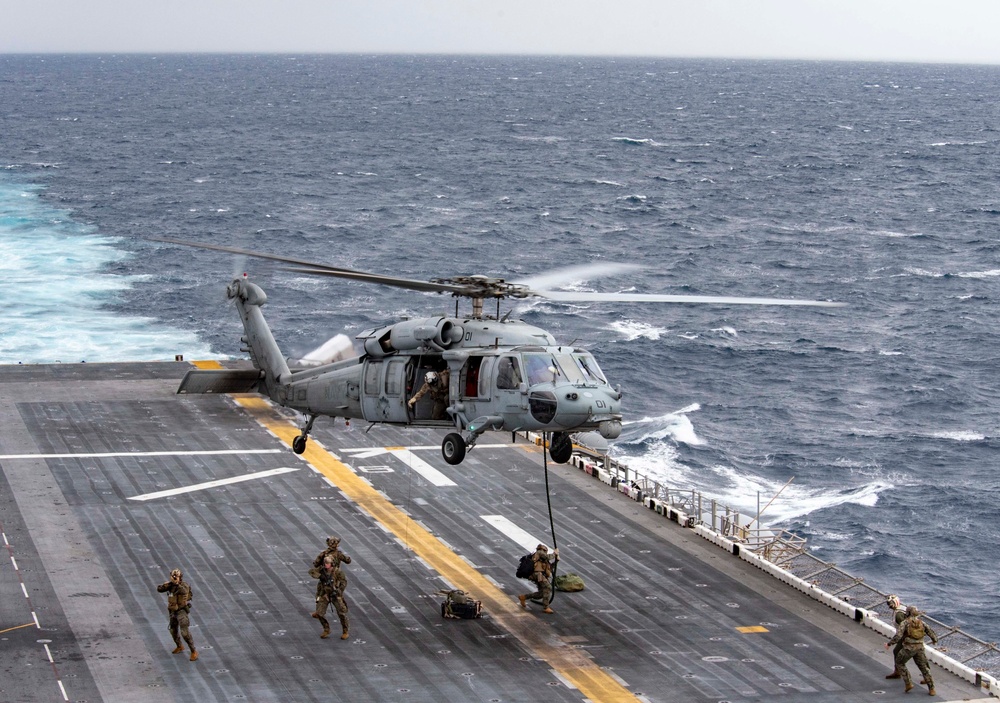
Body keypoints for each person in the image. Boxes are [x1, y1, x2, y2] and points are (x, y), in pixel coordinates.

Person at [885, 605, 938, 696]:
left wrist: (889, 644)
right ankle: (932, 689)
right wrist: (934, 640)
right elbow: (931, 632)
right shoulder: (922, 622)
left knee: (899, 662)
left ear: (908, 613)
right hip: (920, 648)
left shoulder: (905, 623)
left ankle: (908, 683)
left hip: (908, 648)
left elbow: (898, 636)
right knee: (924, 668)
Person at [156, 568, 198, 661]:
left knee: (185, 633)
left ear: (180, 577)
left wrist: (177, 584)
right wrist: (167, 584)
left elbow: (184, 592)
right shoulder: (170, 585)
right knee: (173, 630)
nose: (175, 578)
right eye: (173, 576)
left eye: (176, 576)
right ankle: (179, 646)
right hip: (173, 611)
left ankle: (193, 651)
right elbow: (159, 589)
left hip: (181, 611)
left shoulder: (184, 585)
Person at [313, 555, 350, 639]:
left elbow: (343, 582)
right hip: (324, 593)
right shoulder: (322, 570)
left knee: (342, 613)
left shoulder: (338, 572)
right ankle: (326, 629)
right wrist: (320, 576)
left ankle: (345, 631)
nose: (326, 564)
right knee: (319, 613)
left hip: (335, 594)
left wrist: (339, 591)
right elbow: (312, 572)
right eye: (325, 563)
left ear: (332, 563)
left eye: (328, 563)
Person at [518, 544, 559, 614]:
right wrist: (555, 553)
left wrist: (556, 561)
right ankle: (546, 607)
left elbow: (549, 569)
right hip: (537, 574)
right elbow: (548, 557)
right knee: (548, 587)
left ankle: (524, 597)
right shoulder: (539, 552)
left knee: (542, 593)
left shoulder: (543, 560)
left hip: (540, 575)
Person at [884, 594, 908, 679]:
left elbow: (902, 630)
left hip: (906, 637)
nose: (889, 606)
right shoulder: (902, 609)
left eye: (890, 603)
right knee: (918, 657)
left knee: (897, 652)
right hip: (908, 636)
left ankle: (898, 672)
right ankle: (897, 671)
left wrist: (890, 643)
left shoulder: (898, 615)